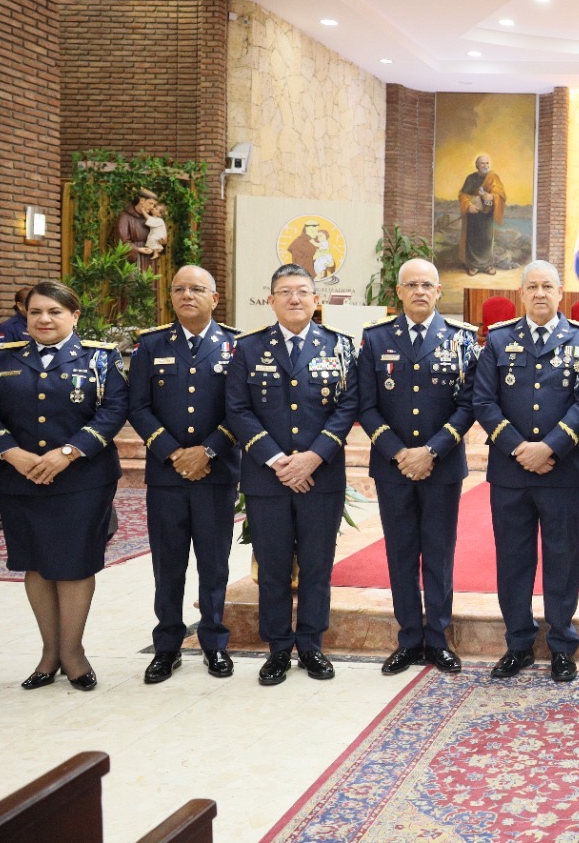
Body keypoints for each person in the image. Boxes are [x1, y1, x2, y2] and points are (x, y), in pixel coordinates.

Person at [0, 281, 128, 691]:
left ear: (74, 316)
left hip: (83, 480)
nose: (44, 319)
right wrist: (11, 453)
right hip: (19, 479)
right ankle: (48, 653)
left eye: (55, 312)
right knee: (36, 564)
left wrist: (69, 453)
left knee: (75, 564)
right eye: (36, 312)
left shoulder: (99, 359)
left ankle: (73, 654)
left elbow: (113, 410)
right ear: (25, 316)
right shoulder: (2, 359)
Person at [225, 264, 359, 686]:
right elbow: (237, 409)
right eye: (285, 292)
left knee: (318, 565)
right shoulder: (248, 348)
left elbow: (348, 406)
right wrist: (278, 461)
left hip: (322, 476)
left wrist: (313, 458)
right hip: (268, 478)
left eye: (302, 291)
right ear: (271, 300)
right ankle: (278, 648)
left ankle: (312, 646)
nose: (294, 299)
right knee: (273, 566)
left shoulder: (340, 346)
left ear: (317, 300)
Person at [473, 260, 579, 682]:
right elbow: (483, 401)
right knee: (513, 559)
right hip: (511, 472)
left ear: (560, 292)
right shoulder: (499, 339)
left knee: (563, 558)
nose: (540, 293)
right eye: (532, 287)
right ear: (522, 294)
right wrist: (518, 447)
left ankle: (562, 645)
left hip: (564, 471)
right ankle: (518, 644)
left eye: (548, 286)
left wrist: (550, 447)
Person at [357, 258, 478, 677]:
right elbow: (366, 406)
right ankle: (409, 638)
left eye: (427, 284)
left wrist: (432, 451)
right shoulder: (375, 338)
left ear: (439, 291)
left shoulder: (461, 339)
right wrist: (399, 453)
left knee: (439, 554)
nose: (420, 291)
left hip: (442, 467)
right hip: (392, 468)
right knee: (401, 553)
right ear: (399, 292)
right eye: (412, 285)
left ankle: (438, 639)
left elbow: (469, 405)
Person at [127, 266, 242, 683]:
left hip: (216, 472)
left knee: (214, 564)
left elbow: (242, 407)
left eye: (196, 289)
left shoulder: (236, 346)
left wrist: (207, 451)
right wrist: (174, 453)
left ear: (215, 298)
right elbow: (137, 407)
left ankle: (214, 641)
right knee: (168, 564)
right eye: (179, 289)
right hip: (167, 474)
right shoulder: (151, 344)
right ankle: (167, 646)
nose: (187, 295)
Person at [460, 154, 508, 276]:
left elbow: (501, 195)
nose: (485, 165)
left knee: (487, 238)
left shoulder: (493, 177)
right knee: (473, 239)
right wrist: (468, 206)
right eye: (482, 163)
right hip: (474, 214)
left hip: (487, 214)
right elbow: (463, 194)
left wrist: (491, 196)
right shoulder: (471, 178)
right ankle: (473, 265)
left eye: (487, 163)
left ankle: (487, 265)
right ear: (477, 165)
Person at [116, 188, 156, 260]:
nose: (152, 207)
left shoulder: (150, 218)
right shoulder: (125, 217)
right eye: (150, 203)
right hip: (135, 259)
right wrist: (138, 249)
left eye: (153, 204)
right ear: (142, 201)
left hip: (149, 257)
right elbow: (122, 240)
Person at [138, 202, 167, 273]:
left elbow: (148, 218)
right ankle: (154, 252)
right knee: (152, 239)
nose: (153, 208)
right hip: (155, 234)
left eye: (156, 209)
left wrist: (143, 210)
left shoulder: (159, 220)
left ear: (159, 214)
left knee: (153, 239)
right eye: (154, 207)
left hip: (158, 235)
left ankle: (154, 252)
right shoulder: (155, 218)